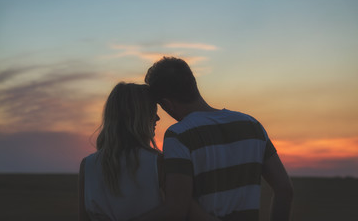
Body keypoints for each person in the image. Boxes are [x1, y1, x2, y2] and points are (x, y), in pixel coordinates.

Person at [132, 57, 293, 221]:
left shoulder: (179, 135)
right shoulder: (251, 125)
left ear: (167, 104)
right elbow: (284, 189)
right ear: (193, 85)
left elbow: (176, 209)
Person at [79, 82, 219, 221]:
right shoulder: (159, 163)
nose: (157, 118)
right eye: (153, 111)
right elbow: (184, 211)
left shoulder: (88, 165)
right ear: (139, 117)